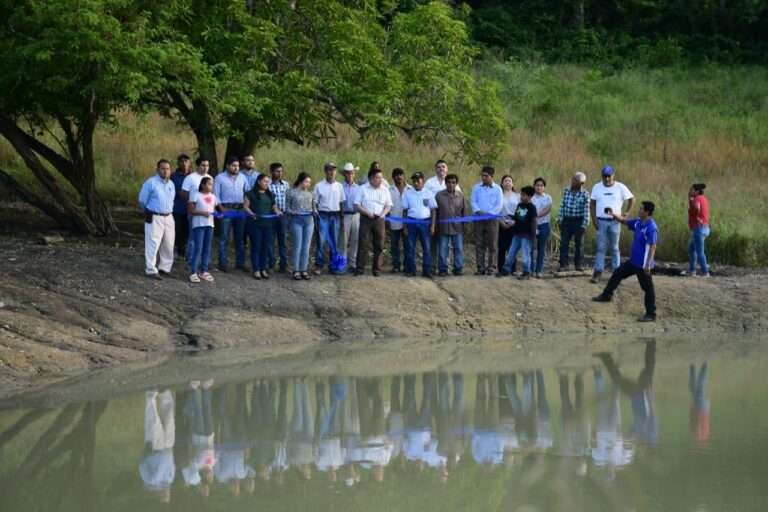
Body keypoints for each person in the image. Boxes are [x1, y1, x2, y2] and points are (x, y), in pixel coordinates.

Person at [592, 201, 658, 322]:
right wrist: (613, 214)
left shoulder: (651, 227)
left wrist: (648, 264)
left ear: (647, 212)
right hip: (633, 262)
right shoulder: (638, 222)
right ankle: (607, 295)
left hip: (643, 265)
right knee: (618, 273)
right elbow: (624, 221)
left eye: (641, 209)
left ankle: (651, 314)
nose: (639, 210)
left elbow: (653, 246)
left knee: (648, 288)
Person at [590, 165, 635, 283]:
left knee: (614, 248)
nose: (607, 179)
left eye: (609, 176)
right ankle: (598, 271)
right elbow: (592, 204)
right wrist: (594, 219)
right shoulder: (597, 187)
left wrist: (626, 213)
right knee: (600, 248)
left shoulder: (620, 187)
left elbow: (632, 199)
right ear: (602, 176)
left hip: (615, 221)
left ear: (613, 175)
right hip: (601, 220)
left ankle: (617, 272)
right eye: (604, 176)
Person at [138, 159, 176, 279]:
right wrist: (149, 211)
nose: (165, 171)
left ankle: (164, 268)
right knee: (153, 243)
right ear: (158, 169)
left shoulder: (171, 184)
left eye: (168, 169)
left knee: (169, 244)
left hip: (169, 216)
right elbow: (142, 200)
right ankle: (151, 269)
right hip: (155, 216)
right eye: (163, 168)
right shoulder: (151, 183)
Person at [354, 167, 392, 276]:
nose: (380, 180)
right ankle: (360, 269)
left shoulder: (385, 189)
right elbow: (356, 205)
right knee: (363, 243)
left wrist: (383, 214)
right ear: (370, 178)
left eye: (381, 177)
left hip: (379, 219)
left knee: (379, 245)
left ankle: (377, 270)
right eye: (377, 178)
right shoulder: (362, 188)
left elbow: (388, 205)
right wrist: (367, 213)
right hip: (366, 218)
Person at [425, 160, 461, 272]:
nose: (441, 169)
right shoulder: (430, 182)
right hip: (433, 216)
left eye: (443, 167)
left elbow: (459, 199)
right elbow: (425, 199)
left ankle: (446, 266)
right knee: (433, 243)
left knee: (446, 245)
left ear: (447, 169)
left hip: (448, 219)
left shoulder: (453, 182)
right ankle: (432, 266)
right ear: (436, 169)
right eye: (439, 167)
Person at [214, 156, 248, 272]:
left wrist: (246, 207)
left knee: (240, 238)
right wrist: (221, 208)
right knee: (224, 237)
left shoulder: (242, 177)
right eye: (233, 165)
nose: (236, 168)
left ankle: (240, 264)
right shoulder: (219, 178)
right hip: (226, 209)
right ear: (227, 166)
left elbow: (247, 193)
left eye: (238, 166)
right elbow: (216, 195)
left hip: (240, 210)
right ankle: (223, 263)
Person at [244, 174, 280, 280]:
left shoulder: (270, 194)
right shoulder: (250, 194)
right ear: (259, 181)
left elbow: (274, 207)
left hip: (268, 225)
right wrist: (252, 214)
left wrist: (278, 212)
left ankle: (263, 269)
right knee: (256, 247)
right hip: (255, 225)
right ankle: (256, 269)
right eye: (264, 181)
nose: (266, 183)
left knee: (265, 247)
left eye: (267, 182)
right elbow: (245, 207)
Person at [498, 186, 537, 279]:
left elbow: (534, 222)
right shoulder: (519, 205)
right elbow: (516, 218)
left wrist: (533, 235)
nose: (521, 197)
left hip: (526, 235)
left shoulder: (532, 208)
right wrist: (510, 222)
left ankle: (526, 272)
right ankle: (506, 269)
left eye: (523, 195)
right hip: (516, 234)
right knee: (511, 252)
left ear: (529, 196)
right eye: (521, 195)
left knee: (525, 254)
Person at [313, 162, 345, 275]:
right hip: (323, 215)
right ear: (325, 171)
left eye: (333, 170)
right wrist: (316, 214)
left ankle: (333, 266)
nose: (332, 172)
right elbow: (315, 202)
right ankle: (319, 266)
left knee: (334, 242)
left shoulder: (339, 186)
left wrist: (342, 217)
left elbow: (341, 203)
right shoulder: (318, 185)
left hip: (336, 215)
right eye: (329, 170)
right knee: (321, 241)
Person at [403, 172, 437, 278]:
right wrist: (404, 226)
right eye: (414, 181)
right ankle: (411, 270)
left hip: (425, 223)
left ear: (423, 181)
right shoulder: (408, 193)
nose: (416, 183)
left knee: (426, 248)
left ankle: (426, 271)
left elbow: (433, 210)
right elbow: (404, 210)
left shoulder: (428, 193)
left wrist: (432, 226)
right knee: (410, 247)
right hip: (411, 222)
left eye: (418, 181)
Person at [471, 166, 503, 276]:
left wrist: (490, 214)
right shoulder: (476, 187)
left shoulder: (498, 189)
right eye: (482, 175)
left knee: (493, 244)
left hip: (492, 219)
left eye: (486, 176)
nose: (483, 178)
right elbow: (473, 202)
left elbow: (499, 205)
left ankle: (492, 267)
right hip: (479, 218)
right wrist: (480, 212)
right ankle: (480, 267)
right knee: (479, 243)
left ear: (492, 176)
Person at [433, 174, 465, 277]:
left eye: (453, 182)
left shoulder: (461, 195)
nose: (451, 184)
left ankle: (458, 268)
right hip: (443, 227)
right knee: (443, 249)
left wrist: (463, 225)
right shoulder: (439, 195)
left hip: (457, 227)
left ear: (456, 184)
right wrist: (435, 225)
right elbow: (435, 212)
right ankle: (442, 269)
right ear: (445, 183)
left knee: (458, 248)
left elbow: (464, 211)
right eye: (449, 182)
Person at [557, 172, 590, 272]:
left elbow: (586, 210)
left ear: (581, 183)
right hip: (566, 220)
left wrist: (584, 224)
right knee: (563, 243)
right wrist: (560, 219)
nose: (572, 181)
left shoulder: (585, 194)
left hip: (578, 221)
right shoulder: (566, 190)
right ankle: (563, 265)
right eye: (573, 179)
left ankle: (578, 265)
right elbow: (562, 205)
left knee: (579, 244)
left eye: (575, 180)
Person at [187, 177, 218, 283]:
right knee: (198, 248)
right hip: (198, 225)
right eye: (209, 184)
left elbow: (213, 210)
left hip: (210, 225)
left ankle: (204, 271)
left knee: (207, 248)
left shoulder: (213, 197)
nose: (211, 186)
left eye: (212, 184)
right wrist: (202, 213)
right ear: (203, 185)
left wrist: (219, 214)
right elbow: (191, 210)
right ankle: (193, 272)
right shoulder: (196, 195)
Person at [181, 157, 212, 259]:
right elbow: (184, 194)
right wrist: (193, 204)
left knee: (205, 238)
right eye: (203, 165)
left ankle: (203, 259)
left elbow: (210, 195)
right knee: (193, 236)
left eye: (207, 165)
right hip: (194, 212)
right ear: (198, 166)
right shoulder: (190, 178)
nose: (205, 168)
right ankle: (190, 258)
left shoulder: (210, 178)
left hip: (207, 213)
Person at [286, 172, 315, 280]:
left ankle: (304, 269)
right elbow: (287, 208)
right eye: (306, 181)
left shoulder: (311, 193)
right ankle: (296, 270)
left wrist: (314, 212)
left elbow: (314, 207)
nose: (308, 184)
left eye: (310, 182)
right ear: (301, 180)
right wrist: (293, 212)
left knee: (306, 247)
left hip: (309, 222)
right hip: (296, 221)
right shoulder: (291, 192)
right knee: (297, 246)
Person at [267, 162, 290, 273]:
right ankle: (271, 264)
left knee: (283, 241)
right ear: (271, 172)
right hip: (270, 216)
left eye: (281, 171)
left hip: (283, 216)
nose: (280, 173)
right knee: (270, 240)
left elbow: (289, 199)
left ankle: (283, 265)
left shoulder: (285, 184)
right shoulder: (267, 184)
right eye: (277, 171)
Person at [388, 168, 411, 273]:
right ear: (393, 177)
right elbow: (386, 206)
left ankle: (407, 266)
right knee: (394, 246)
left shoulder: (411, 189)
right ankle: (396, 266)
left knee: (408, 245)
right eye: (396, 175)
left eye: (401, 174)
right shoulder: (389, 190)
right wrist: (386, 221)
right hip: (394, 222)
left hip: (408, 223)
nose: (399, 177)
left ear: (404, 176)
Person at [339, 162, 361, 272]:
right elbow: (339, 202)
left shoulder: (359, 188)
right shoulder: (340, 186)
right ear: (344, 174)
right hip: (345, 215)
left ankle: (352, 263)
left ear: (354, 174)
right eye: (348, 173)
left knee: (355, 240)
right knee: (343, 240)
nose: (350, 175)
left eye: (352, 173)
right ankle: (342, 263)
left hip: (356, 215)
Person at [170, 154, 192, 259]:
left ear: (190, 163)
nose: (184, 163)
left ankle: (185, 251)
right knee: (177, 230)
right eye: (181, 161)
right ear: (178, 163)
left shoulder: (193, 176)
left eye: (186, 161)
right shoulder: (173, 176)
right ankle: (177, 249)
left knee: (187, 230)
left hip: (190, 208)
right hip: (177, 208)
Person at [687, 183, 711, 277]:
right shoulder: (703, 198)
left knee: (700, 252)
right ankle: (692, 271)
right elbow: (694, 207)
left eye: (692, 190)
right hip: (704, 228)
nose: (690, 191)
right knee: (691, 249)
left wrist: (697, 215)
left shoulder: (697, 199)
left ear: (697, 191)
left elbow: (696, 208)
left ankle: (705, 272)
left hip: (699, 229)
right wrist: (689, 199)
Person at [531, 177, 552, 278]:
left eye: (541, 185)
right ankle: (530, 269)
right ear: (534, 186)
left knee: (541, 248)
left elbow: (547, 209)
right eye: (537, 185)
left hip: (544, 224)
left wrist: (536, 215)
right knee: (530, 247)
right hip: (531, 225)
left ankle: (539, 270)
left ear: (544, 187)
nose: (539, 187)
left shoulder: (548, 197)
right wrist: (533, 217)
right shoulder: (531, 198)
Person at [498, 175, 520, 272]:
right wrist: (501, 222)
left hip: (514, 221)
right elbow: (496, 210)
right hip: (501, 220)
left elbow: (521, 210)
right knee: (502, 246)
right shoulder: (499, 195)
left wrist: (515, 221)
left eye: (509, 181)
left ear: (512, 184)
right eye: (505, 181)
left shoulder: (518, 196)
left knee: (512, 247)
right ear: (502, 183)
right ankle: (501, 268)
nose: (507, 183)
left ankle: (512, 268)